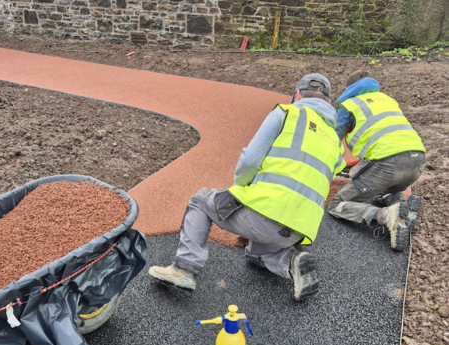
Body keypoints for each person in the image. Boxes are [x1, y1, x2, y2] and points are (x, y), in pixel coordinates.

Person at [149, 74, 345, 301]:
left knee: (201, 200)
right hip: (300, 230)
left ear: (298, 95)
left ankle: (183, 269)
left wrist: (239, 192)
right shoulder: (334, 139)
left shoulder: (287, 113)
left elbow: (250, 161)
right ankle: (291, 261)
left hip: (267, 213)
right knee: (255, 253)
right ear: (329, 103)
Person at [328, 70, 426, 251]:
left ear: (348, 88)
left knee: (336, 205)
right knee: (380, 189)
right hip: (418, 161)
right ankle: (402, 206)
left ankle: (385, 215)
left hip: (388, 163)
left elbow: (332, 140)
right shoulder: (388, 100)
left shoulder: (350, 105)